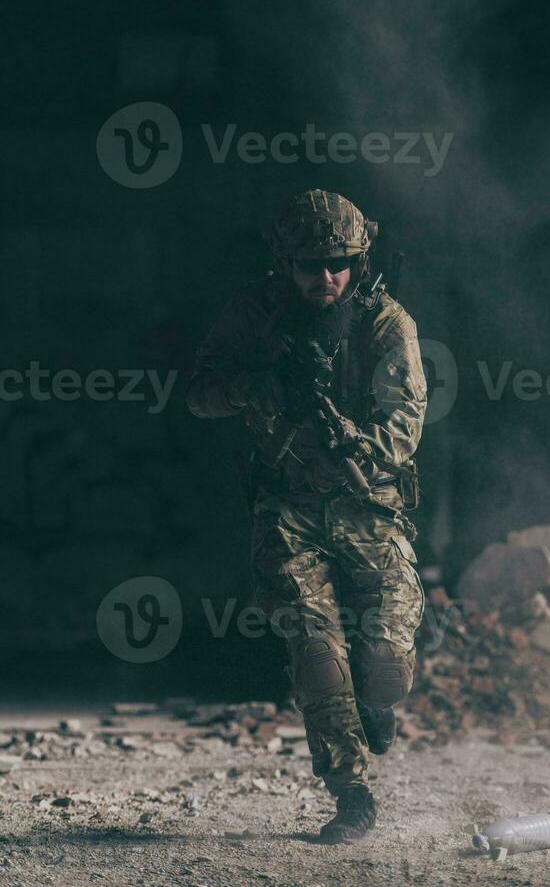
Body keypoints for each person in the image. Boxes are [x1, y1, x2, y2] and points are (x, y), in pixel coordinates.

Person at [186, 189, 427, 844]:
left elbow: (405, 425)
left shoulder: (384, 323)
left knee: (382, 670)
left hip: (370, 509)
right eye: (309, 264)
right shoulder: (255, 317)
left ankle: (378, 707)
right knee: (317, 653)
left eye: (339, 263)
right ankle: (352, 795)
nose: (326, 277)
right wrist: (254, 386)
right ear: (283, 264)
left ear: (359, 259)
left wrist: (354, 439)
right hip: (289, 509)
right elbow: (198, 393)